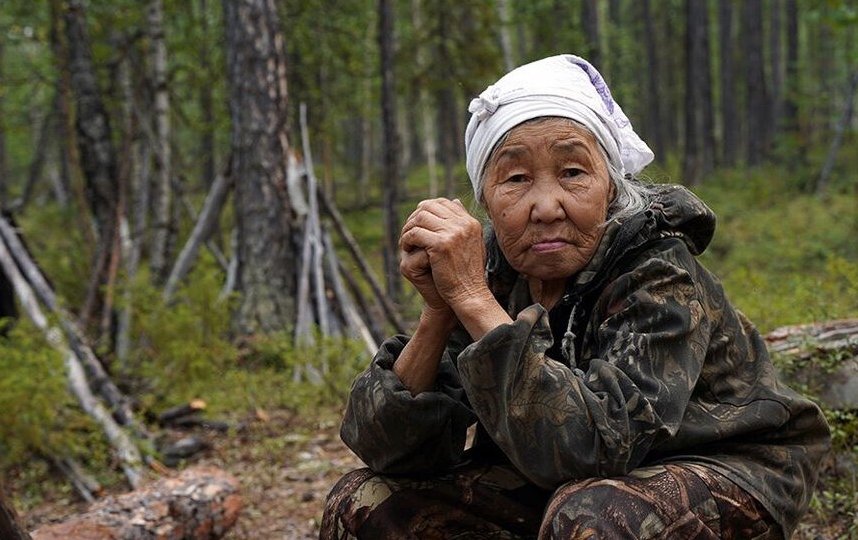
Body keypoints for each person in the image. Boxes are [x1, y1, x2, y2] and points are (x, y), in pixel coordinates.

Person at [320, 54, 830, 540]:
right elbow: (384, 447)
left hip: (730, 465)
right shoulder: (492, 271)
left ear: (609, 186)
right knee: (364, 499)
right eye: (516, 179)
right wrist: (440, 309)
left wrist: (474, 301)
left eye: (572, 173)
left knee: (590, 516)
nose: (546, 206)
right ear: (487, 200)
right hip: (567, 482)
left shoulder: (658, 272)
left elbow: (596, 447)